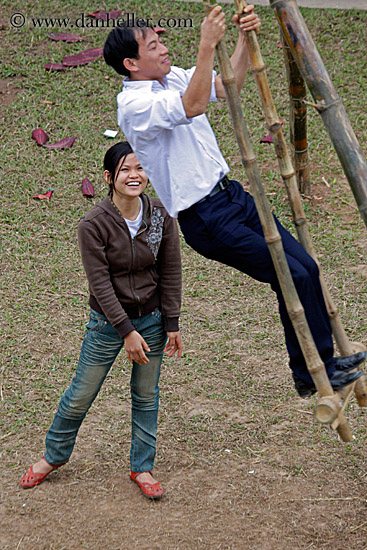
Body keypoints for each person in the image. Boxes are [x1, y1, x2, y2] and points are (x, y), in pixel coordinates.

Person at [103, 7, 366, 397]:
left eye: (161, 41)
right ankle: (310, 373)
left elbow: (226, 86)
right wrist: (207, 44)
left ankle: (322, 362)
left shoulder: (172, 77)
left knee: (306, 267)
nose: (163, 49)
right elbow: (193, 106)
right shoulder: (134, 106)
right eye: (154, 45)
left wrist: (242, 39)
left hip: (234, 197)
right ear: (131, 63)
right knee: (289, 276)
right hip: (206, 218)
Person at [20, 141, 182, 499]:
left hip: (153, 321)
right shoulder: (93, 224)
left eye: (140, 168)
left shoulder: (161, 216)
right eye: (125, 170)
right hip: (108, 325)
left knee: (146, 395)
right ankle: (53, 457)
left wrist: (171, 322)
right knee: (81, 393)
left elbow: (171, 270)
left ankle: (142, 467)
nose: (134, 175)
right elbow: (100, 284)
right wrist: (126, 331)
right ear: (109, 178)